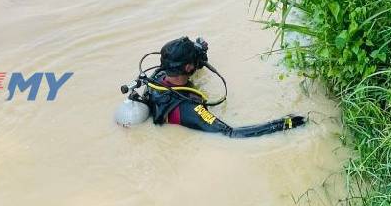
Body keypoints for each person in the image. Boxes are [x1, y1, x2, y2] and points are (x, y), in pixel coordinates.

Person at [131, 37, 307, 138]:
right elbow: (231, 133)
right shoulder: (191, 109)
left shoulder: (157, 78)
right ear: (187, 67)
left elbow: (188, 68)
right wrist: (282, 124)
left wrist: (198, 52)